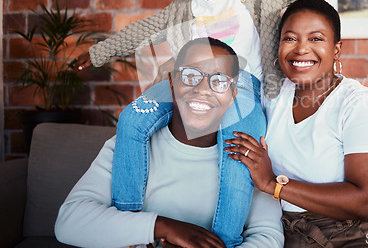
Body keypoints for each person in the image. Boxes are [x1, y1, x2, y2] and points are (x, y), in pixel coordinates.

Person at [75, 0, 368, 247]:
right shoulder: (179, 10)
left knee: (237, 152)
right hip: (192, 79)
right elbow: (140, 31)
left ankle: (225, 239)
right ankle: (128, 218)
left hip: (242, 85)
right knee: (132, 117)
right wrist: (97, 53)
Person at [225, 0, 368, 247]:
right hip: (290, 230)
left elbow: (366, 202)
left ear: (336, 49)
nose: (301, 49)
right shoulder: (270, 95)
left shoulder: (360, 104)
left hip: (362, 232)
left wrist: (272, 184)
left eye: (316, 38)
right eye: (290, 38)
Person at [55, 37, 284, 248]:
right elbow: (69, 222)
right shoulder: (129, 146)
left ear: (233, 94)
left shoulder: (247, 158)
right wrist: (164, 227)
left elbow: (268, 236)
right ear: (172, 83)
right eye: (190, 76)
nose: (203, 89)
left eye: (220, 81)